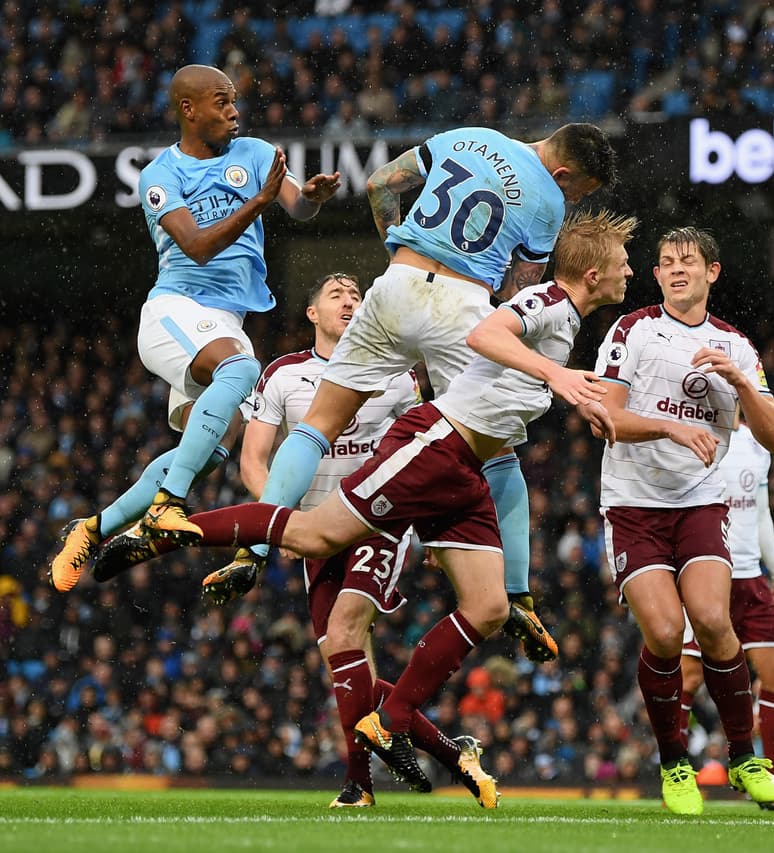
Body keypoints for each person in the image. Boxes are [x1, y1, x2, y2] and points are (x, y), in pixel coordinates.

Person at [118, 210, 636, 806]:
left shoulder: (567, 319)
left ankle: (393, 722)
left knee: (489, 607)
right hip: (434, 448)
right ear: (595, 272)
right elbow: (485, 335)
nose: (630, 271)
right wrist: (558, 376)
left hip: (461, 472)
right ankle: (170, 528)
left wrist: (666, 429)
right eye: (624, 263)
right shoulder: (546, 300)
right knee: (312, 539)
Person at [201, 122, 617, 670]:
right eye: (579, 190)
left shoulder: (469, 136)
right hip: (464, 305)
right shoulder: (546, 202)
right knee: (493, 452)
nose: (573, 199)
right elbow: (524, 294)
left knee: (315, 426)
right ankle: (517, 595)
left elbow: (379, 185)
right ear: (564, 173)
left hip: (396, 283)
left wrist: (399, 252)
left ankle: (252, 547)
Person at [49, 63, 341, 592]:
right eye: (221, 101)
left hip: (223, 321)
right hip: (176, 311)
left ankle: (92, 529)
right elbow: (199, 248)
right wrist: (258, 201)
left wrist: (312, 197)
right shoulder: (161, 175)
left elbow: (295, 205)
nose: (234, 111)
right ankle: (166, 505)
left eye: (234, 101)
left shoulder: (253, 153)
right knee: (241, 366)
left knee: (208, 454)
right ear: (189, 109)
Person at [594, 226, 774, 815]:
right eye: (665, 263)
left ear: (713, 272)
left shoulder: (737, 345)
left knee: (710, 617)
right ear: (656, 276)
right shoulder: (633, 330)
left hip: (700, 503)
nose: (676, 269)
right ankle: (674, 763)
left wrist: (737, 382)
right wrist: (672, 426)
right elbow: (603, 416)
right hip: (633, 504)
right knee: (661, 633)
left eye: (688, 262)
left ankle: (742, 755)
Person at [678, 424, 774, 812]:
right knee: (688, 677)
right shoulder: (688, 431)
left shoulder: (758, 443)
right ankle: (676, 775)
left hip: (750, 576)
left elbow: (760, 514)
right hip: (707, 573)